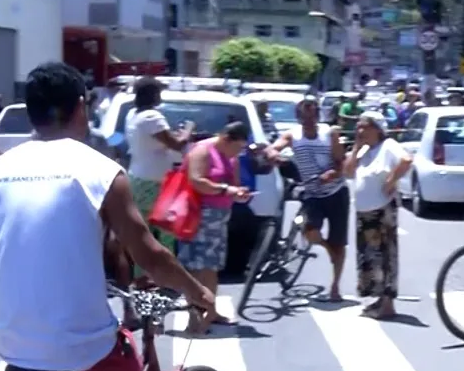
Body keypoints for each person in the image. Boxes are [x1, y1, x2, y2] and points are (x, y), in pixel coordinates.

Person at [0, 62, 217, 371]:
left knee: (59, 362)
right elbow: (148, 253)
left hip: (9, 335)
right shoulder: (99, 169)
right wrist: (198, 292)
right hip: (78, 342)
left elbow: (45, 239)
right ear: (81, 108)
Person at [265, 96, 349, 301]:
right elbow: (273, 148)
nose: (309, 121)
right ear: (298, 118)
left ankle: (335, 286)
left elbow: (342, 164)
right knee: (310, 233)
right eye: (304, 117)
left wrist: (332, 174)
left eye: (312, 117)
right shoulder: (292, 136)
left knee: (340, 243)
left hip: (336, 193)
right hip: (312, 193)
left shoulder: (329, 134)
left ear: (318, 117)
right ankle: (328, 248)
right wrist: (272, 155)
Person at [177, 122, 254, 313]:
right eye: (237, 147)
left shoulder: (232, 158)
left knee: (212, 266)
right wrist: (226, 189)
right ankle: (201, 310)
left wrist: (239, 193)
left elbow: (233, 185)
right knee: (200, 266)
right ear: (226, 139)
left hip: (219, 218)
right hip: (200, 214)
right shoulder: (203, 151)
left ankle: (209, 309)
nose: (238, 152)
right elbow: (196, 180)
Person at [343, 111, 413, 319]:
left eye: (365, 126)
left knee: (386, 255)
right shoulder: (365, 150)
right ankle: (379, 299)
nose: (359, 130)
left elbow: (406, 160)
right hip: (364, 213)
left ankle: (388, 303)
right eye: (358, 126)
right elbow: (347, 172)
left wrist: (391, 180)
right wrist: (355, 147)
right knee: (369, 257)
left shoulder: (388, 146)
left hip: (382, 211)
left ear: (377, 129)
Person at [124, 77, 193, 260]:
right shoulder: (152, 117)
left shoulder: (133, 114)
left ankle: (141, 277)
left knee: (142, 233)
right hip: (155, 181)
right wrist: (188, 130)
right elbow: (177, 144)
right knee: (166, 233)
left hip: (137, 177)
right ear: (152, 94)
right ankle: (166, 276)